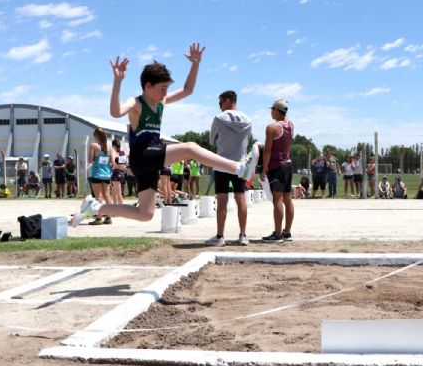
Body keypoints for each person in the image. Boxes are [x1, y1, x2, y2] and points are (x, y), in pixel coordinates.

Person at [72, 43, 259, 228]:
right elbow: (115, 112)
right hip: (142, 155)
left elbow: (187, 90)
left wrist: (195, 64)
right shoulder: (136, 103)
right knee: (190, 148)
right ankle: (240, 168)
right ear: (148, 86)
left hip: (150, 161)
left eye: (167, 88)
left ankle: (95, 207)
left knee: (145, 214)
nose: (166, 93)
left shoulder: (161, 102)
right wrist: (118, 82)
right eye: (163, 88)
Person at [205, 90, 254, 247]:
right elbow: (249, 140)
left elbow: (212, 141)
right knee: (241, 199)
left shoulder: (218, 119)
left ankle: (220, 237)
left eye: (220, 103)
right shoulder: (248, 120)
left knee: (222, 201)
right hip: (240, 165)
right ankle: (243, 235)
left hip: (222, 164)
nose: (219, 106)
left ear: (227, 101)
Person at [260, 98, 294, 243]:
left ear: (276, 110)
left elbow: (267, 151)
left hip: (277, 167)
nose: (270, 112)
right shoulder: (290, 124)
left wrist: (264, 169)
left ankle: (278, 233)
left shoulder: (271, 128)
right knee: (288, 199)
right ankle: (287, 232)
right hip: (288, 165)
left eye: (272, 109)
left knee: (277, 200)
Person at [88, 127, 114, 225]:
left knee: (98, 196)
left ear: (96, 135)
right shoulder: (109, 147)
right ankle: (109, 217)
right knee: (107, 195)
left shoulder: (94, 145)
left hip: (97, 173)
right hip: (107, 174)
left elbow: (90, 161)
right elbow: (112, 162)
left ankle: (98, 218)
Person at [110, 139, 127, 204]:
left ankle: (121, 209)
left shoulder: (114, 152)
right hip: (122, 173)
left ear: (113, 146)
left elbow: (113, 162)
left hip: (116, 173)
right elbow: (124, 166)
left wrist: (115, 165)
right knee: (114, 192)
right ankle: (115, 208)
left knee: (118, 193)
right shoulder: (122, 153)